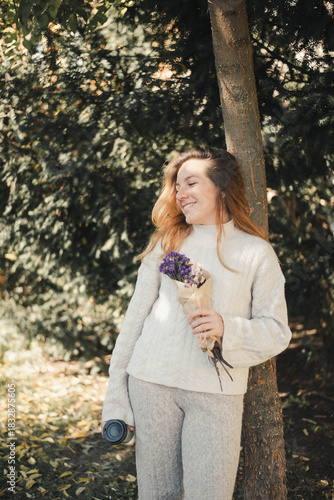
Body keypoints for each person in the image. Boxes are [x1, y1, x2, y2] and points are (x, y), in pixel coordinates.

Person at [102, 145, 292, 500]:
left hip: (217, 394)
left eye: (190, 183)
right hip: (150, 384)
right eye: (177, 185)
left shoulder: (256, 252)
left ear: (221, 188)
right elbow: (134, 320)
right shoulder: (167, 243)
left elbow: (277, 331)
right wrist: (116, 396)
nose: (180, 193)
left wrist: (227, 327)